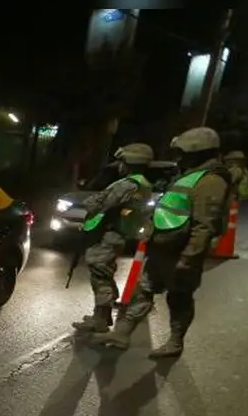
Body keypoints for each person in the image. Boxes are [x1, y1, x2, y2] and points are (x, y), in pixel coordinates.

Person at [93, 127, 231, 358]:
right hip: (163, 249)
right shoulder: (190, 175)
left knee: (178, 299)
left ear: (199, 152)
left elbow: (203, 225)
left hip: (182, 252)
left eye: (183, 153)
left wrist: (190, 258)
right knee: (142, 290)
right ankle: (122, 334)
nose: (179, 157)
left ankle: (175, 342)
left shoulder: (211, 181)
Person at [71, 143, 155, 333]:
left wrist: (90, 201)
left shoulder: (128, 184)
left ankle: (100, 319)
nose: (119, 165)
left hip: (110, 234)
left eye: (121, 161)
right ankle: (101, 314)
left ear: (128, 162)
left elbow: (97, 204)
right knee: (103, 273)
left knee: (101, 275)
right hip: (117, 233)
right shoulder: (142, 183)